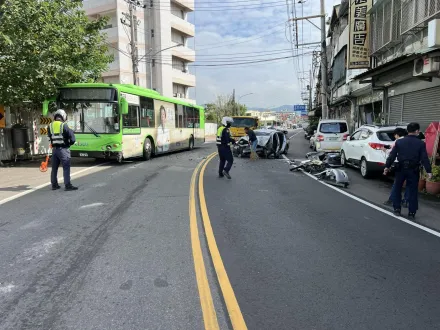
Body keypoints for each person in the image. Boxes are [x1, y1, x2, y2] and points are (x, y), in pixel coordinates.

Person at [384, 122, 432, 219]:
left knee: (398, 188)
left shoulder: (399, 142)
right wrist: (429, 171)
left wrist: (387, 166)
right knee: (413, 191)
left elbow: (392, 155)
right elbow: (424, 158)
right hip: (413, 170)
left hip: (400, 168)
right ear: (417, 131)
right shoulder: (421, 143)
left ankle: (397, 209)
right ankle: (412, 212)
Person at [47, 109, 78, 191]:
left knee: (54, 168)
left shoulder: (50, 126)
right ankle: (67, 185)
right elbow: (73, 139)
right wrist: (69, 144)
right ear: (63, 116)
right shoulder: (64, 125)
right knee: (66, 167)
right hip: (63, 150)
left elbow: (49, 138)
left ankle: (54, 185)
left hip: (54, 150)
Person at [383, 127, 409, 207]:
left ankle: (392, 199)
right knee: (409, 184)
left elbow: (392, 154)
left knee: (397, 183)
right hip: (412, 166)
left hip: (400, 165)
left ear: (397, 135)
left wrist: (385, 151)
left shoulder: (398, 142)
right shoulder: (410, 141)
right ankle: (405, 201)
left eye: (394, 135)